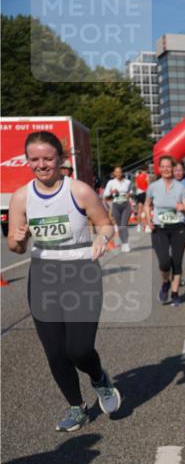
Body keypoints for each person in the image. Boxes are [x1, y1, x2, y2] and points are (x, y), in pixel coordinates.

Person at [6, 131, 122, 431]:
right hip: (44, 275)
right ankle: (76, 407)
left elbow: (106, 225)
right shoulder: (21, 197)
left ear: (60, 160)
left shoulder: (80, 191)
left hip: (81, 271)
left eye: (48, 158)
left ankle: (99, 379)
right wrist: (17, 241)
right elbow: (15, 245)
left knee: (79, 350)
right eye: (34, 159)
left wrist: (101, 239)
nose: (41, 164)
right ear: (27, 160)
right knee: (55, 352)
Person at [144, 156, 185, 306]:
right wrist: (147, 218)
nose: (166, 169)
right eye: (163, 166)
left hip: (178, 228)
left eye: (168, 166)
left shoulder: (180, 187)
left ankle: (175, 292)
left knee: (176, 261)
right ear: (159, 169)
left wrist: (183, 209)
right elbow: (147, 204)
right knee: (164, 262)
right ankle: (166, 283)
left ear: (173, 168)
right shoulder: (153, 187)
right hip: (160, 228)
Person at [103, 166, 133, 253]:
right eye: (117, 172)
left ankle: (126, 243)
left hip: (126, 205)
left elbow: (132, 190)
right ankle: (123, 243)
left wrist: (129, 194)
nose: (119, 174)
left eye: (120, 172)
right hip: (116, 205)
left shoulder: (127, 182)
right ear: (114, 173)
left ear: (122, 173)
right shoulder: (111, 182)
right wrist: (111, 192)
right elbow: (105, 194)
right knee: (120, 226)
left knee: (124, 225)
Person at [134, 167, 150, 233]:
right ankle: (147, 226)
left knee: (139, 210)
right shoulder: (146, 176)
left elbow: (136, 186)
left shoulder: (137, 177)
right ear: (146, 170)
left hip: (138, 193)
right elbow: (148, 185)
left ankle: (138, 226)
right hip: (144, 193)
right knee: (147, 209)